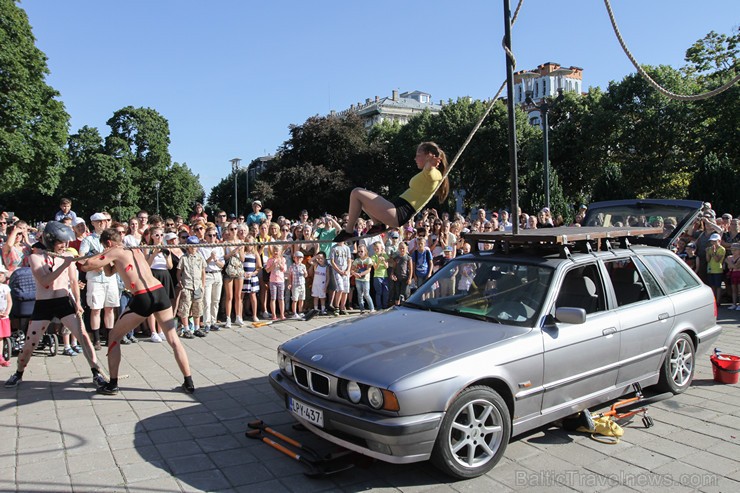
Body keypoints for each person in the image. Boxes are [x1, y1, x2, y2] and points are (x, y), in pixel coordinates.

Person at [79, 228, 195, 395]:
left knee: (113, 337)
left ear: (108, 243)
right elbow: (111, 272)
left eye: (105, 246)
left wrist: (101, 254)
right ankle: (189, 382)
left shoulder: (115, 250)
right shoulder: (132, 250)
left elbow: (86, 266)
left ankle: (112, 384)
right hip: (159, 291)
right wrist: (105, 260)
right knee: (173, 339)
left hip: (143, 296)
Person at [5, 222, 108, 388]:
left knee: (83, 337)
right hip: (43, 304)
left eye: (66, 242)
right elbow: (45, 281)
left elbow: (74, 281)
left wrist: (78, 302)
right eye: (61, 242)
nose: (65, 246)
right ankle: (19, 372)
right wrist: (65, 265)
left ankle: (96, 373)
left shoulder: (67, 256)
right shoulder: (35, 257)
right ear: (51, 241)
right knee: (30, 345)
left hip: (64, 302)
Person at [334, 142, 450, 241]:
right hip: (396, 208)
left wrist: (430, 164)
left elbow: (430, 171)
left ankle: (348, 231)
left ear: (428, 156)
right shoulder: (427, 173)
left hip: (398, 213)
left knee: (356, 193)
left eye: (418, 155)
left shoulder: (434, 173)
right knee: (361, 199)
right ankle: (378, 224)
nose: (415, 159)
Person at [79, 213, 120, 350]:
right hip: (95, 278)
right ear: (93, 223)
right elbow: (81, 257)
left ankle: (110, 337)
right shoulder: (88, 240)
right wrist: (94, 265)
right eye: (98, 222)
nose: (102, 223)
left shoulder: (112, 238)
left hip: (110, 278)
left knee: (110, 308)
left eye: (104, 221)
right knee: (95, 309)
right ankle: (96, 339)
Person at [177, 236, 207, 339]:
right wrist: (181, 284)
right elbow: (179, 272)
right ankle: (186, 329)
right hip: (187, 286)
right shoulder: (184, 258)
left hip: (197, 286)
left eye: (196, 246)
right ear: (188, 247)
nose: (194, 248)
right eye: (192, 246)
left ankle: (197, 328)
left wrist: (202, 285)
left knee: (197, 308)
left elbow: (203, 272)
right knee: (185, 308)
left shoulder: (200, 257)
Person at [265, 245, 287, 320]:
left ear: (280, 252)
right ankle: (274, 315)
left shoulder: (283, 259)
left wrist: (280, 264)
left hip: (281, 281)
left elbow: (284, 270)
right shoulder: (270, 260)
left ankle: (282, 314)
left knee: (281, 298)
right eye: (274, 251)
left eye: (277, 251)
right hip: (272, 281)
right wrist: (273, 266)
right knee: (273, 298)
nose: (275, 252)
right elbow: (267, 270)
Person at [352, 244, 375, 314]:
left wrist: (360, 274)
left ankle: (372, 308)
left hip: (365, 280)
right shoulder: (357, 260)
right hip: (358, 280)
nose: (360, 253)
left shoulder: (368, 259)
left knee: (366, 294)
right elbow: (352, 269)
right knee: (360, 294)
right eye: (358, 252)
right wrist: (355, 273)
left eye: (361, 251)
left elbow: (368, 270)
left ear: (365, 251)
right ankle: (362, 309)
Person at [706, 232, 726, 304]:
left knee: (718, 286)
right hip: (710, 269)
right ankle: (713, 300)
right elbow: (708, 260)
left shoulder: (722, 249)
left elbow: (717, 260)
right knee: (712, 286)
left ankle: (718, 301)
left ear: (719, 241)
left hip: (718, 269)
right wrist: (707, 252)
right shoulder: (710, 249)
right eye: (712, 241)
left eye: (715, 241)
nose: (713, 243)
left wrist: (714, 252)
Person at [288, 251, 308, 319]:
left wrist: (305, 272)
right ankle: (294, 312)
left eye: (300, 258)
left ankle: (300, 311)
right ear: (294, 258)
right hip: (295, 285)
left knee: (301, 299)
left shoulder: (303, 266)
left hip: (302, 284)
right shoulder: (292, 266)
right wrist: (290, 283)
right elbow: (290, 276)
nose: (299, 259)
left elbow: (306, 275)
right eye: (297, 257)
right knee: (295, 299)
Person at [0, 264, 12, 367]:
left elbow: (9, 301)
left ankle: (0, 356)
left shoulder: (5, 287)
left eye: (1, 273)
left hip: (3, 316)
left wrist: (7, 311)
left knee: (1, 337)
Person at [724, 243, 740, 310]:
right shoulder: (729, 257)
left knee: (739, 290)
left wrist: (728, 262)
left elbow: (736, 266)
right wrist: (730, 263)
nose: (733, 251)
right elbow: (729, 267)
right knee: (734, 290)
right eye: (732, 250)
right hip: (733, 274)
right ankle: (734, 304)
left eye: (735, 250)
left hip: (739, 274)